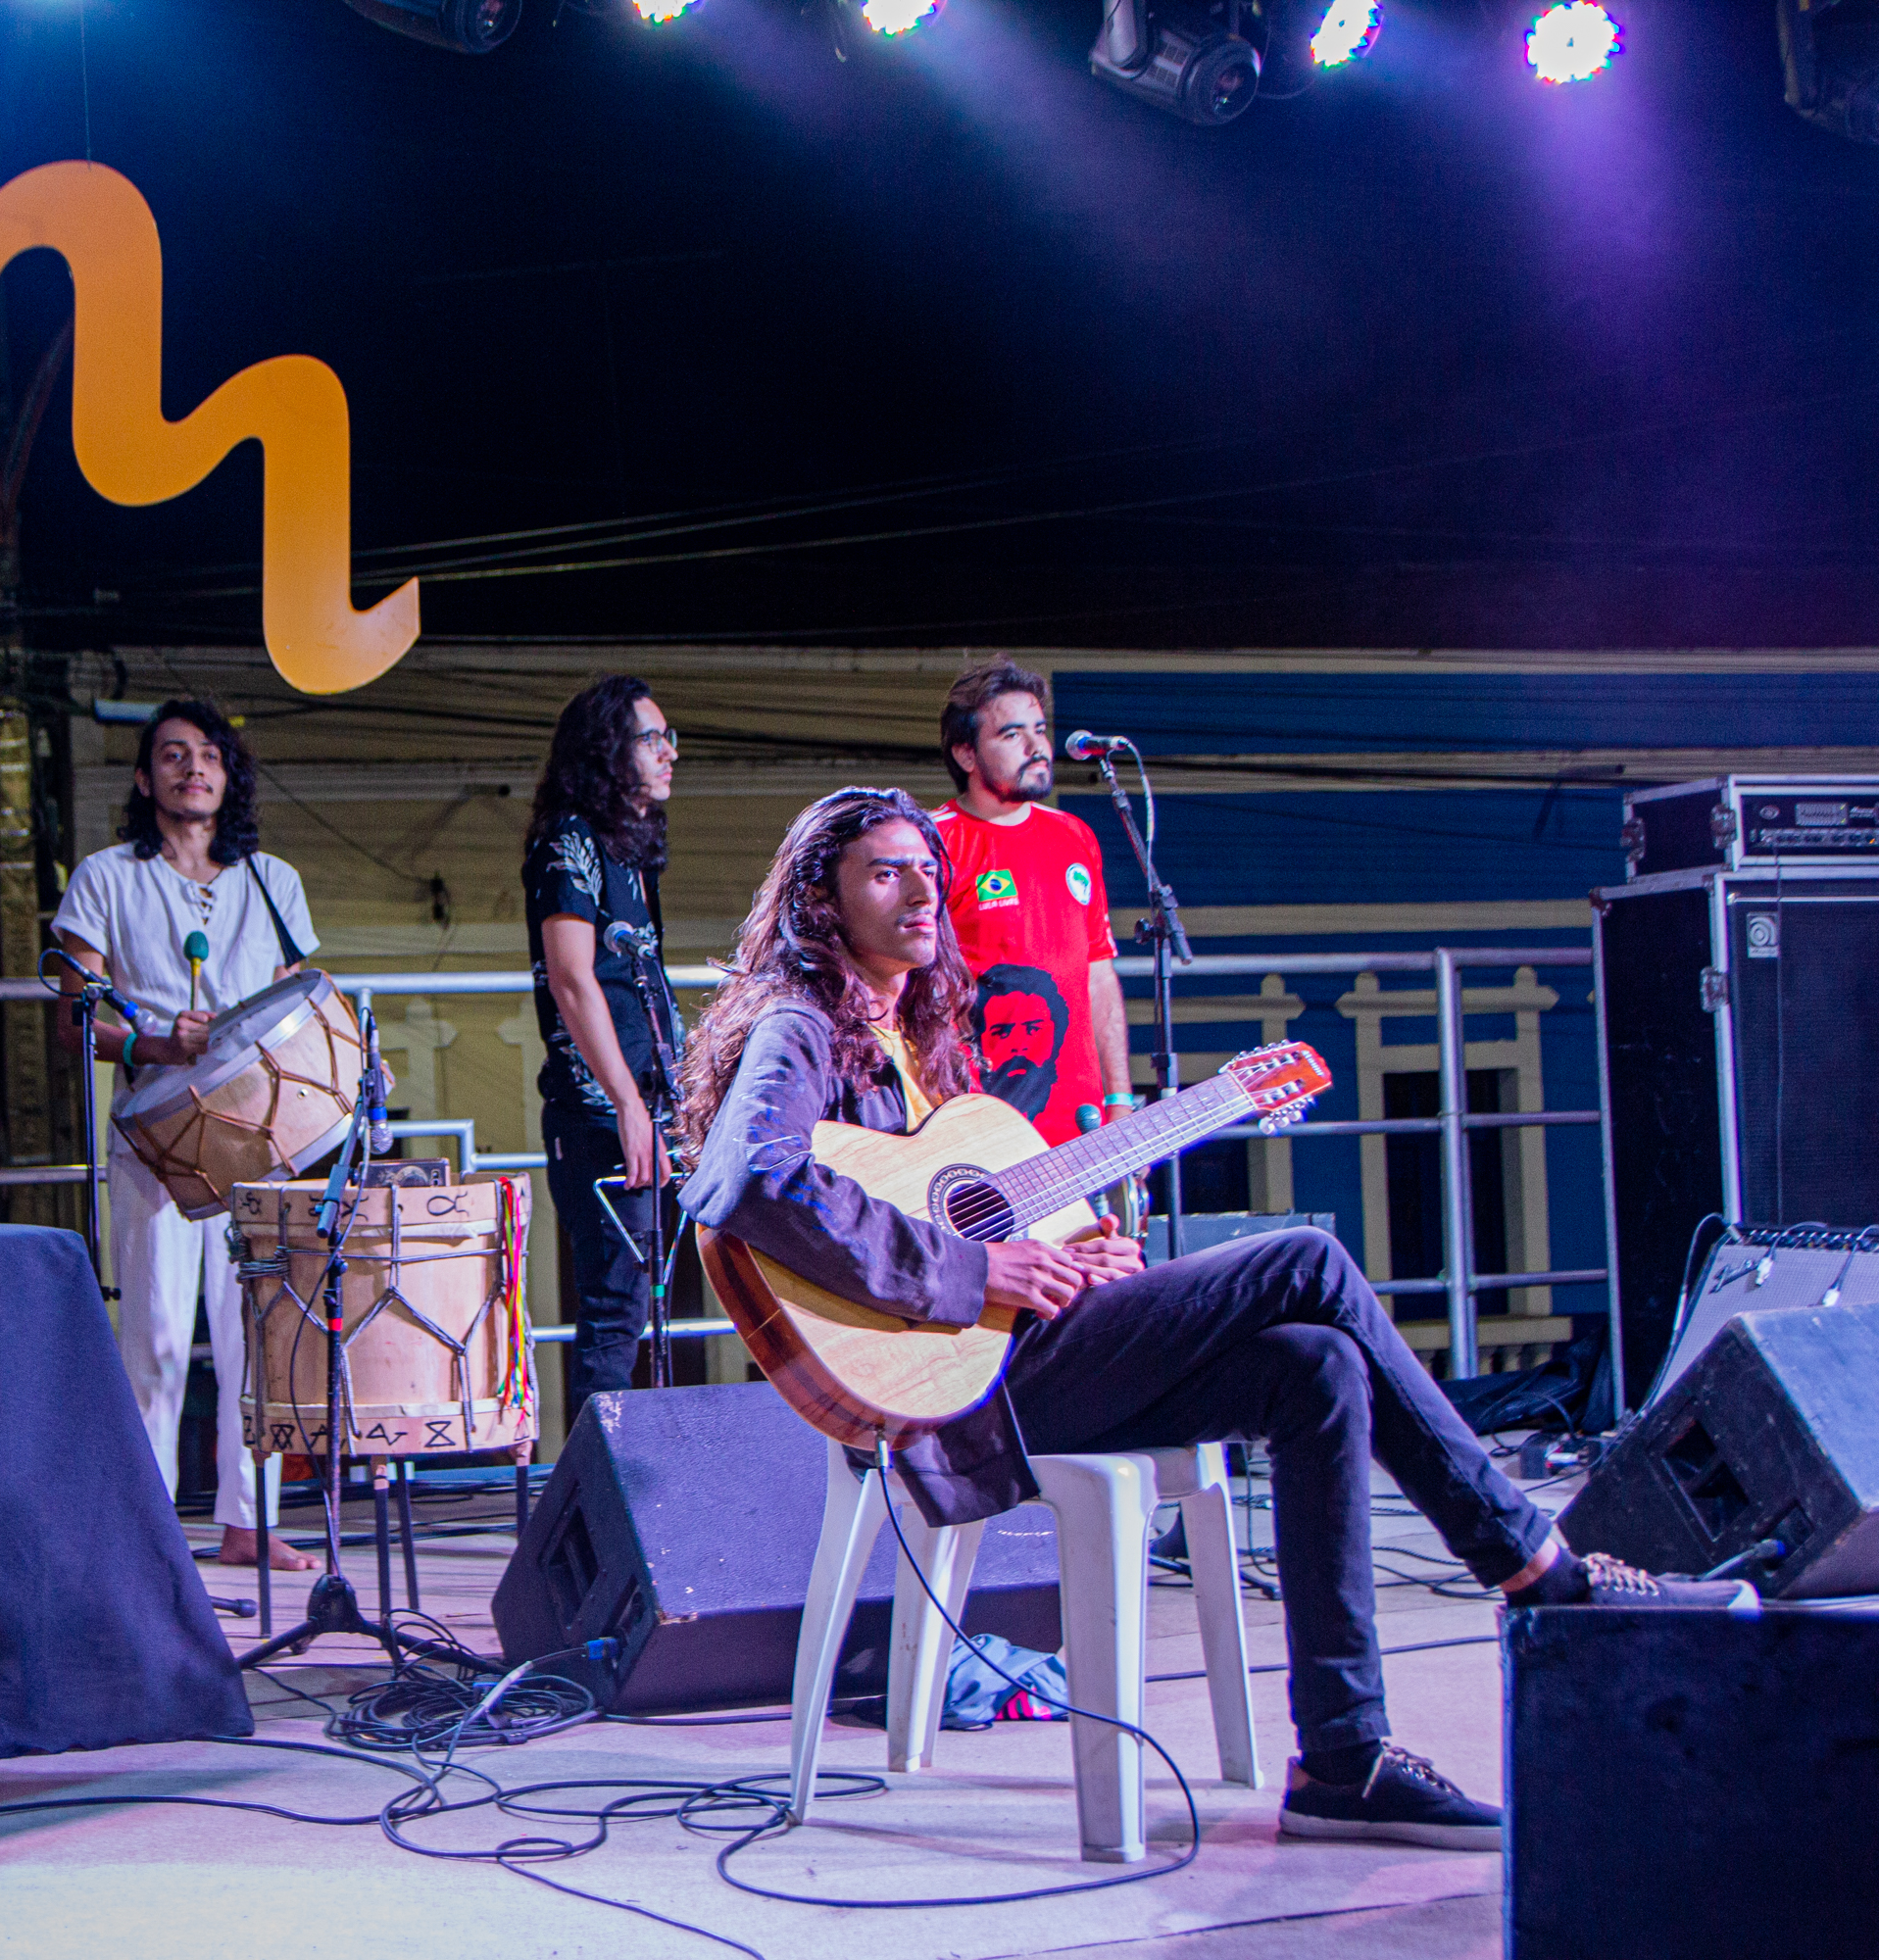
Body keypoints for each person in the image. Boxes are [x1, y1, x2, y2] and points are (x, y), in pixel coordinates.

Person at [677, 786, 1755, 1850]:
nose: (921, 891)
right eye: (885, 872)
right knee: (1308, 1260)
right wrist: (978, 1266)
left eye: (928, 869)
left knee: (1316, 1364)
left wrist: (1061, 1259)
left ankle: (1343, 1760)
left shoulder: (915, 1033)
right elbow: (750, 1180)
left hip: (1007, 1355)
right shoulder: (799, 1023)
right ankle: (1538, 1569)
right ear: (821, 898)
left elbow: (951, 1210)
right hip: (956, 1400)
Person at [54, 698, 319, 1571]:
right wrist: (155, 1044)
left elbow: (299, 999)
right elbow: (74, 1018)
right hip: (157, 1134)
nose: (193, 767)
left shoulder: (273, 880)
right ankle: (150, 1531)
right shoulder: (106, 877)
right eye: (172, 754)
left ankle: (251, 1522)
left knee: (255, 1329)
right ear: (143, 779)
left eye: (208, 754)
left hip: (259, 1130)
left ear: (228, 776)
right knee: (157, 1338)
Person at [522, 675, 682, 1431]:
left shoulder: (631, 850)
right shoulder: (569, 842)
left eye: (669, 738)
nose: (669, 753)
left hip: (650, 1102)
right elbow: (572, 978)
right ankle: (595, 1488)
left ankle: (637, 1473)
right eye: (652, 739)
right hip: (600, 1108)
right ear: (608, 750)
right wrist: (625, 1101)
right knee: (614, 1307)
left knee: (645, 1300)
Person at [935, 661, 1132, 1146]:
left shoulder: (1074, 836)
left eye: (1039, 730)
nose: (1036, 746)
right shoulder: (932, 844)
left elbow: (1098, 974)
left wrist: (1120, 1099)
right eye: (1012, 734)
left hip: (1083, 1124)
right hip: (979, 1123)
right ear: (966, 754)